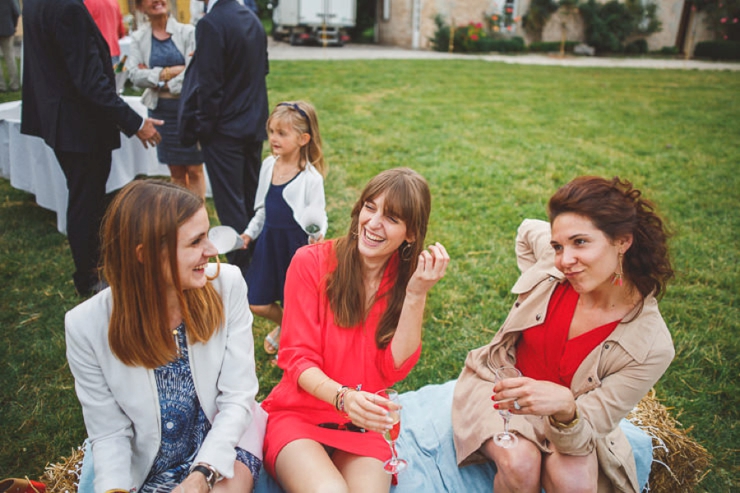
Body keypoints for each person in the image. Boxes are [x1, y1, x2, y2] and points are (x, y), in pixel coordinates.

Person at [452, 176, 676, 493]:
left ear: (622, 241)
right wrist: (533, 280)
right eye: (558, 246)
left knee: (577, 485)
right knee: (520, 463)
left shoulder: (653, 347)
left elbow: (589, 424)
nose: (564, 261)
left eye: (580, 243)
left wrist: (566, 408)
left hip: (569, 419)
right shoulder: (557, 267)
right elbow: (527, 229)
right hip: (500, 388)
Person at [66, 180, 266, 493]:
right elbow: (109, 433)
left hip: (225, 443)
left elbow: (238, 397)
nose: (212, 251)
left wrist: (202, 475)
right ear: (145, 255)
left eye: (208, 235)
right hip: (149, 461)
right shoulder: (85, 326)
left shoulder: (227, 285)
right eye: (196, 241)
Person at [260, 167, 450, 492]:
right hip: (300, 415)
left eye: (391, 218)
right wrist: (344, 398)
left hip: (366, 425)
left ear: (411, 234)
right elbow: (297, 358)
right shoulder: (310, 262)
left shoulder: (407, 282)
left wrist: (417, 293)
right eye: (370, 207)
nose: (373, 223)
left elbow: (394, 370)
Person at [21, 0, 162, 296]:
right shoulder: (68, 7)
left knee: (85, 195)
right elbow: (90, 82)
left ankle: (95, 265)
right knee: (87, 200)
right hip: (78, 124)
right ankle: (90, 277)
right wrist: (136, 123)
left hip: (60, 117)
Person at [183, 0, 269, 277]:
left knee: (231, 204)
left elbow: (210, 86)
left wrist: (204, 129)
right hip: (253, 123)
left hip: (224, 130)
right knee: (251, 196)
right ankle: (260, 260)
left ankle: (245, 270)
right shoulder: (253, 19)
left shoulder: (210, 23)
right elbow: (262, 70)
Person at [239, 101, 327, 359]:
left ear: (303, 139)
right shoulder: (269, 165)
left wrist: (317, 234)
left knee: (296, 302)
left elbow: (317, 216)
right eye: (271, 132)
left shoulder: (311, 178)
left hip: (296, 247)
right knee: (257, 302)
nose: (273, 139)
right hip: (269, 244)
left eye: (282, 133)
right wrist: (249, 233)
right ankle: (287, 325)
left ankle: (292, 344)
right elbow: (263, 208)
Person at [128, 0, 206, 198]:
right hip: (161, 111)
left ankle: (199, 217)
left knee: (195, 169)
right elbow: (134, 76)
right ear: (140, 6)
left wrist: (155, 78)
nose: (157, 1)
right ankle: (183, 218)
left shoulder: (188, 32)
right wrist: (168, 73)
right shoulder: (138, 38)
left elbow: (193, 71)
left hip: (188, 109)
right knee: (176, 171)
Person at [84, 0, 127, 65]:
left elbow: (85, 30)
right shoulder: (114, 2)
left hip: (98, 52)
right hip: (114, 50)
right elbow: (121, 32)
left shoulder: (88, 3)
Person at [0, 0, 19, 92]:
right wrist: (13, 25)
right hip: (7, 28)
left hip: (7, 28)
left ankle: (1, 86)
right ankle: (14, 84)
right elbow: (16, 12)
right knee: (10, 57)